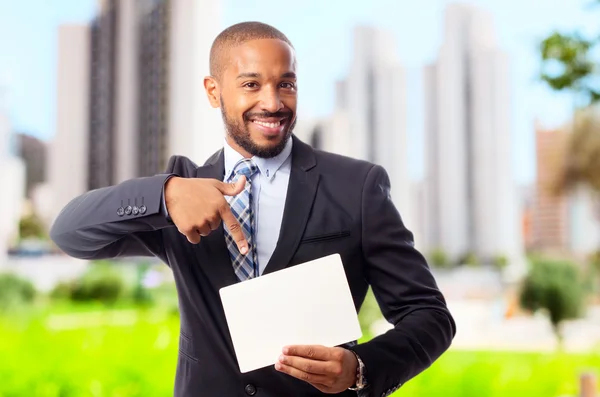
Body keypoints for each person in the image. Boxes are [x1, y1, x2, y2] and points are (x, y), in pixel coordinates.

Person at [50, 21, 456, 397]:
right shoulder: (181, 192)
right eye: (251, 84)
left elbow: (429, 316)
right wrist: (166, 194)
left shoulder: (356, 187)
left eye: (286, 84)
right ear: (213, 91)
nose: (273, 102)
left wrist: (361, 368)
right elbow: (69, 232)